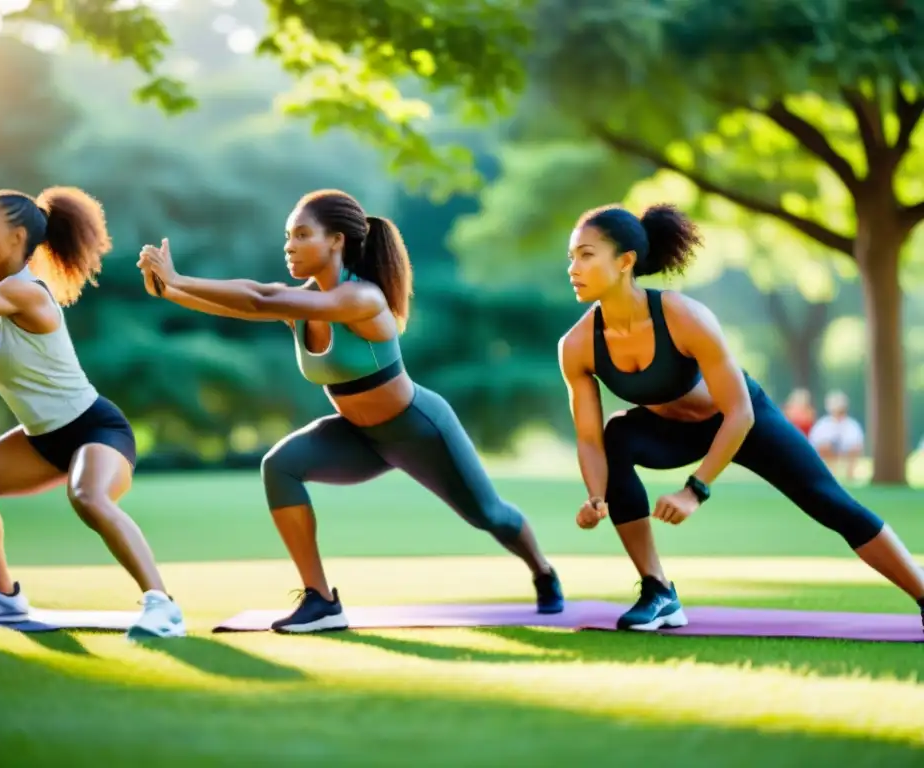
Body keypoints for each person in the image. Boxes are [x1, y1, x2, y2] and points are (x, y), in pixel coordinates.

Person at [137, 188, 564, 633]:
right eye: (288, 236)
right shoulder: (302, 306)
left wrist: (180, 279)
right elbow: (253, 297)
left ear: (337, 241)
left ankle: (542, 570)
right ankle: (320, 599)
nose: (289, 245)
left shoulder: (361, 299)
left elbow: (260, 300)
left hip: (418, 429)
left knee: (489, 516)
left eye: (303, 235)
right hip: (359, 437)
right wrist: (171, 290)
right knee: (279, 466)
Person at [557, 203, 924, 632]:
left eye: (586, 255)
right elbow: (588, 438)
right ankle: (658, 591)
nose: (573, 268)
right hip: (671, 432)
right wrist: (596, 498)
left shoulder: (683, 316)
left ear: (625, 261)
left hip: (743, 421)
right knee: (616, 433)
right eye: (571, 257)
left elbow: (739, 413)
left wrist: (695, 489)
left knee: (831, 503)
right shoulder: (577, 345)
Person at [0, 187, 185, 639]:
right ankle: (3, 597)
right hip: (43, 438)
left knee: (88, 496)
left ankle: (162, 606)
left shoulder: (28, 294)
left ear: (16, 238)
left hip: (96, 430)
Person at [808, 390, 864, 482]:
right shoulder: (823, 424)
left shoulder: (852, 424)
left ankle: (850, 476)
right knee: (824, 447)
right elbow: (815, 443)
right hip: (828, 452)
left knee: (854, 448)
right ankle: (828, 475)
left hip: (845, 450)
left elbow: (857, 443)